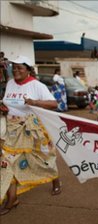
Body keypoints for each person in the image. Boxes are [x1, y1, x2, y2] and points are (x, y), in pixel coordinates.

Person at [0, 55, 61, 215]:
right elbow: (8, 103)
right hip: (12, 129)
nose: (16, 70)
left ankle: (55, 178)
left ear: (28, 70)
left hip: (31, 129)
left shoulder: (36, 85)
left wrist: (34, 102)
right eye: (14, 67)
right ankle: (12, 198)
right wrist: (4, 108)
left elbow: (54, 104)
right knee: (7, 161)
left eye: (20, 67)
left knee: (44, 157)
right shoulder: (11, 83)